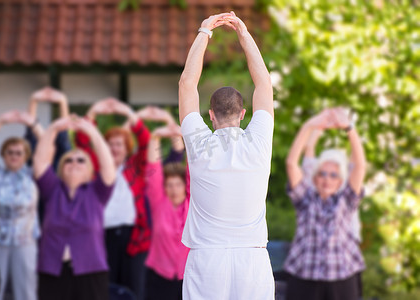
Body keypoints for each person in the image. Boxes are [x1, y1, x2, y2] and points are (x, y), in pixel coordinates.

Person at [179, 12, 275, 299]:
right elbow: (264, 85)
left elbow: (187, 84)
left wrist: (205, 31)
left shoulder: (199, 145)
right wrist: (243, 34)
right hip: (252, 260)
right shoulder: (258, 141)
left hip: (207, 259)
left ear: (210, 115)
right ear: (243, 114)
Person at [284, 108, 366, 300]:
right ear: (315, 176)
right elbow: (291, 163)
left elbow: (360, 166)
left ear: (340, 181)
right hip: (305, 277)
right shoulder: (305, 198)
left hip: (342, 278)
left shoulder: (347, 200)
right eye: (322, 173)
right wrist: (309, 126)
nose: (327, 179)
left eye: (333, 175)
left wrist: (349, 128)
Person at [34, 116, 116, 300]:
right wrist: (53, 128)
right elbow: (40, 162)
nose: (74, 163)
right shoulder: (51, 189)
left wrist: (93, 133)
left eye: (81, 160)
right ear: (61, 168)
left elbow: (108, 165)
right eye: (69, 160)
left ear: (90, 171)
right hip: (53, 271)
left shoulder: (97, 192)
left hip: (91, 271)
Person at [75, 98, 150, 299]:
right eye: (110, 145)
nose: (115, 149)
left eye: (119, 145)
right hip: (102, 235)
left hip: (133, 237)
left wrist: (129, 113)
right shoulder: (96, 169)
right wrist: (92, 113)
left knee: (134, 290)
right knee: (104, 289)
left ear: (126, 149)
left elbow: (145, 143)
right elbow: (82, 142)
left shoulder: (136, 169)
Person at [0, 110, 43, 300]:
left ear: (26, 155)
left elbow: (46, 147)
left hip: (25, 241)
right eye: (10, 152)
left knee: (26, 291)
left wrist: (34, 124)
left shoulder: (32, 174)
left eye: (19, 153)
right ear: (3, 154)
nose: (14, 156)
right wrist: (0, 121)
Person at [301, 127, 364, 298]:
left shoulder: (347, 188)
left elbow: (357, 164)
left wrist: (319, 129)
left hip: (344, 259)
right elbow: (309, 162)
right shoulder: (316, 187)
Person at [144, 124, 189, 300]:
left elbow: (193, 167)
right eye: (169, 185)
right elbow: (152, 169)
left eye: (178, 184)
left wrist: (183, 135)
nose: (174, 189)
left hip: (187, 277)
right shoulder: (158, 202)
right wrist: (155, 136)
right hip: (158, 276)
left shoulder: (191, 204)